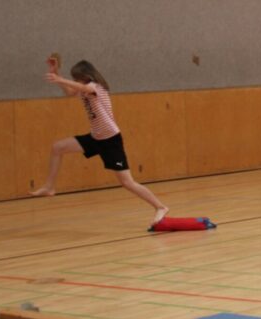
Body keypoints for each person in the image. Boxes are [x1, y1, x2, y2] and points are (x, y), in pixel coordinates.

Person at [31, 59, 169, 225]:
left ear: (87, 76)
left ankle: (160, 207)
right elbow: (69, 91)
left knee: (127, 182)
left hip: (110, 140)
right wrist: (56, 75)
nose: (75, 81)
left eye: (77, 78)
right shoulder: (82, 89)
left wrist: (60, 79)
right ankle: (49, 186)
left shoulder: (96, 87)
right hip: (96, 137)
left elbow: (84, 88)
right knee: (58, 147)